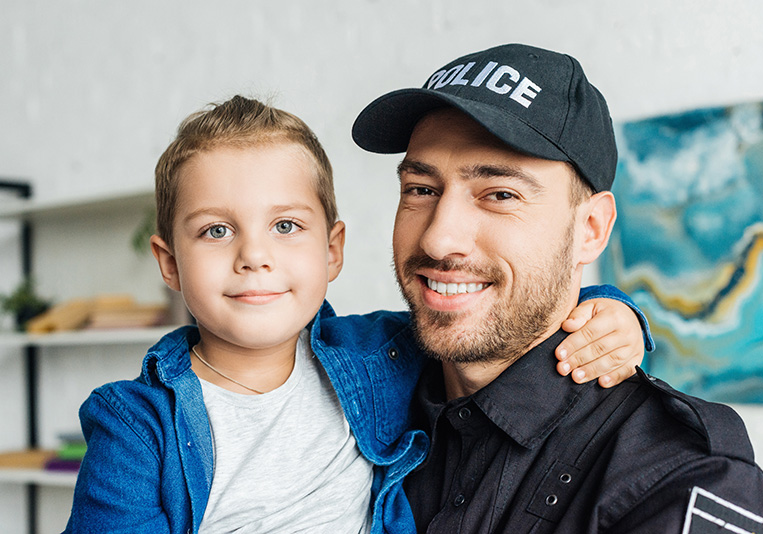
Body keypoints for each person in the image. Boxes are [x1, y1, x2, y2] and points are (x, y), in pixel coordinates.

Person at [63, 95, 649, 533]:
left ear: (332, 250)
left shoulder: (378, 356)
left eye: (286, 226)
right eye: (216, 231)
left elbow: (488, 325)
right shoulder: (136, 425)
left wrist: (614, 314)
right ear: (169, 263)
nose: (255, 257)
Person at [350, 43, 763, 533]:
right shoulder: (348, 395)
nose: (438, 237)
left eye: (500, 195)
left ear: (590, 229)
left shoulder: (679, 475)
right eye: (421, 190)